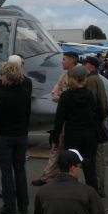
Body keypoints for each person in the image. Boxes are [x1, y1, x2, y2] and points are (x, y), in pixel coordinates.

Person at [0, 62, 31, 214]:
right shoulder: (25, 92)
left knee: (6, 172)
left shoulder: (2, 95)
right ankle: (23, 205)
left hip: (4, 136)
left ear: (7, 76)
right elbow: (27, 114)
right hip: (21, 135)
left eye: (2, 75)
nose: (0, 77)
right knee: (20, 170)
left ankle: (9, 206)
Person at [53, 65, 103, 191]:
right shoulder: (92, 95)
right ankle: (93, 196)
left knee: (71, 166)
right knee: (90, 167)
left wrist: (55, 136)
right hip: (90, 135)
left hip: (72, 135)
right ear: (85, 78)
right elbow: (101, 114)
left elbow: (59, 119)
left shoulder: (66, 96)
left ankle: (72, 193)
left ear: (72, 79)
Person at [32, 51, 77, 186]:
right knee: (56, 148)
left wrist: (62, 96)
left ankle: (72, 179)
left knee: (71, 150)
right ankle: (48, 176)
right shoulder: (63, 76)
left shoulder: (77, 77)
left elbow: (69, 96)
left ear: (71, 61)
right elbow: (54, 94)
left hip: (73, 121)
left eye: (64, 59)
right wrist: (63, 96)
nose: (62, 62)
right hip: (63, 120)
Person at [34, 149, 107, 214]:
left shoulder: (42, 192)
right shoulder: (88, 192)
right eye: (80, 166)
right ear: (72, 168)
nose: (81, 169)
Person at [84, 56, 108, 198]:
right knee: (99, 156)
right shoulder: (97, 78)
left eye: (86, 64)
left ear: (91, 66)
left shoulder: (92, 80)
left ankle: (98, 187)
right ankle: (100, 186)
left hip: (94, 124)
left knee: (96, 158)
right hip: (99, 122)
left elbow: (92, 104)